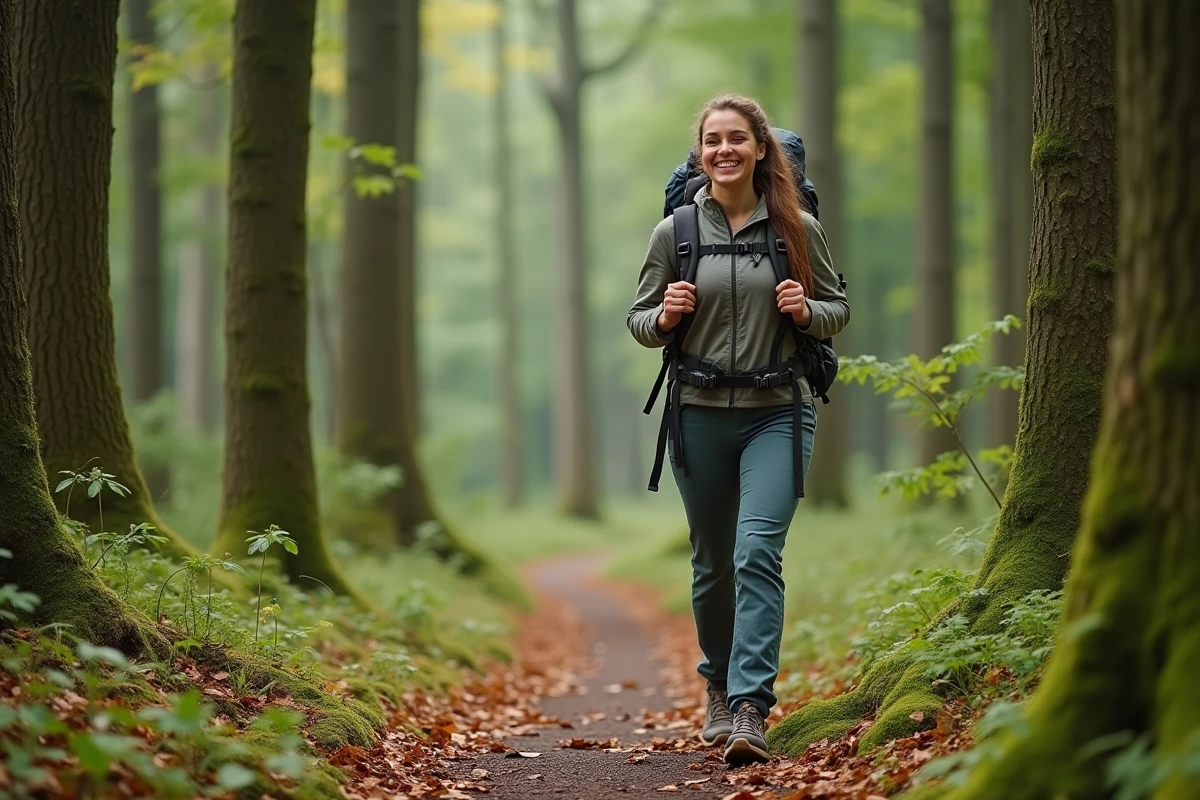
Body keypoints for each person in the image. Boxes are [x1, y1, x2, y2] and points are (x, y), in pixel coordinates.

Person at [626, 94, 850, 765]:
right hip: (696, 415)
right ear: (700, 154)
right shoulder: (675, 233)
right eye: (712, 140)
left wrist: (806, 311)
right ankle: (718, 687)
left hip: (777, 412)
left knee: (756, 552)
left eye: (737, 139)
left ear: (759, 149)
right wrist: (665, 316)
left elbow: (838, 308)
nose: (724, 150)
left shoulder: (796, 229)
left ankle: (751, 707)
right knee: (712, 564)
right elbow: (638, 321)